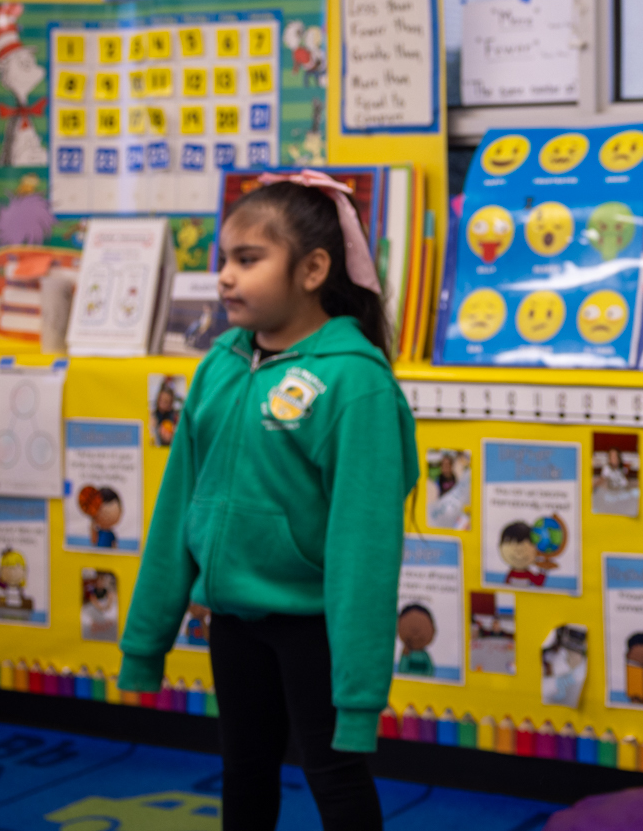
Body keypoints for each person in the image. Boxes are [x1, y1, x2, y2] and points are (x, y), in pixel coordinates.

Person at [120, 173, 418, 831]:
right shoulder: (219, 365)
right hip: (233, 618)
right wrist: (146, 640)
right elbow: (177, 509)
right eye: (223, 259)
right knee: (244, 769)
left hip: (315, 626)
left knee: (333, 775)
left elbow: (364, 546)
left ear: (313, 269)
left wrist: (362, 693)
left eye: (248, 259)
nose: (225, 277)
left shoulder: (353, 382)